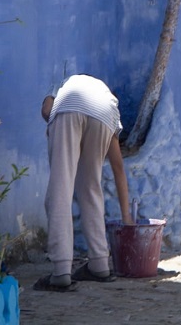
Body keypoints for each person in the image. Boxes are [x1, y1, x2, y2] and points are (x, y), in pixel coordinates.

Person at [34, 74, 134, 292]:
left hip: (69, 108)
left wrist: (51, 110)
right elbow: (118, 168)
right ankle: (99, 265)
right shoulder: (106, 101)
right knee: (91, 187)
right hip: (104, 116)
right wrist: (127, 218)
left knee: (61, 187)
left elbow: (46, 111)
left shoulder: (64, 89)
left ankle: (61, 272)